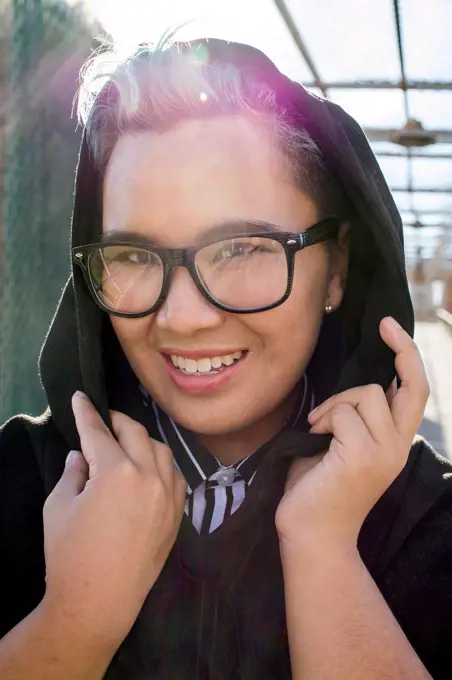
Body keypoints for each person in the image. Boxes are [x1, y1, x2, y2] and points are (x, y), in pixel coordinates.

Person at [0, 37, 450, 680]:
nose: (181, 317)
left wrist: (324, 550)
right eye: (131, 256)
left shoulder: (427, 525)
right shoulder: (24, 484)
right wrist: (71, 625)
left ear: (338, 270)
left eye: (241, 249)